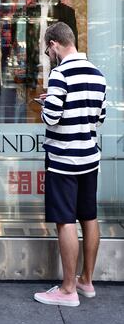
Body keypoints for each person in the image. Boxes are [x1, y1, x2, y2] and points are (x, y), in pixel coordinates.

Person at [34, 22, 106, 307]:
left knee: (65, 220)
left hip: (64, 159)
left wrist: (45, 103)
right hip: (89, 156)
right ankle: (86, 281)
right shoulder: (98, 75)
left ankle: (67, 290)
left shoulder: (59, 73)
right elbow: (99, 118)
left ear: (54, 45)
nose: (48, 53)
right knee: (89, 216)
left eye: (47, 49)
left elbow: (51, 117)